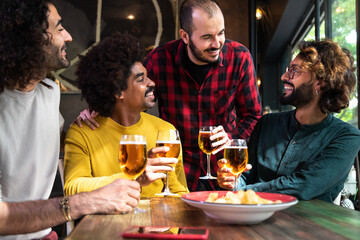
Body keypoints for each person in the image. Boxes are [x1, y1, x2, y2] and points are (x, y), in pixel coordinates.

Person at [73, 0, 261, 192]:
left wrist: (231, 138)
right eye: (207, 37)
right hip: (178, 173)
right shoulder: (159, 59)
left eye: (221, 33)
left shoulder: (240, 57)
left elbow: (253, 116)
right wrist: (97, 107)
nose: (217, 43)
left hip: (224, 173)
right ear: (185, 36)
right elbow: (127, 89)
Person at [0, 1, 140, 238]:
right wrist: (82, 202)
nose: (69, 36)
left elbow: (29, 155)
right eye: (59, 28)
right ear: (29, 38)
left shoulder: (49, 92)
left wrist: (47, 230)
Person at [217, 39, 360, 203]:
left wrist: (243, 191)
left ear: (320, 82)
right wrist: (232, 181)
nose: (284, 76)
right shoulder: (267, 123)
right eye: (288, 69)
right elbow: (245, 178)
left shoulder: (347, 137)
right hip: (254, 221)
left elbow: (304, 185)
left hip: (309, 227)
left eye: (294, 71)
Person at [64, 32, 189, 198]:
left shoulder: (165, 131)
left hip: (158, 222)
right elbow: (72, 188)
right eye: (141, 79)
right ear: (118, 91)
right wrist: (134, 177)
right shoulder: (82, 133)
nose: (151, 83)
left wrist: (167, 225)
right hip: (109, 222)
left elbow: (179, 192)